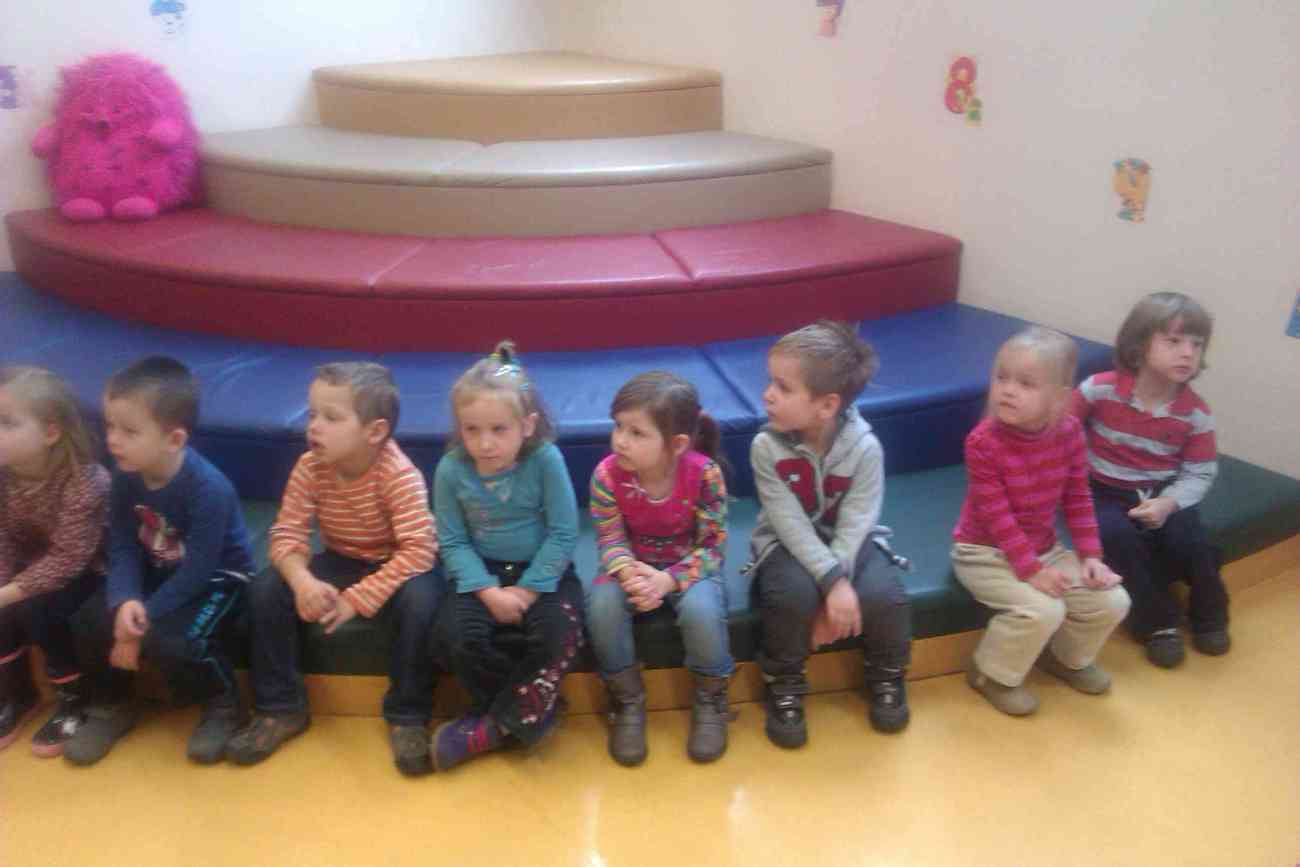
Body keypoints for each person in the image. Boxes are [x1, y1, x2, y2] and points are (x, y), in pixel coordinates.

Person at [228, 362, 441, 775]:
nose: (314, 427)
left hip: (397, 562)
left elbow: (418, 551)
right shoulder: (310, 467)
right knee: (265, 591)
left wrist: (356, 600)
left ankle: (408, 715)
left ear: (374, 432)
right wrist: (302, 581)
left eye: (331, 417)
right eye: (312, 414)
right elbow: (287, 535)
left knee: (422, 601)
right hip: (342, 558)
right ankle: (281, 707)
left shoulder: (399, 476)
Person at [65, 357, 254, 765]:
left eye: (129, 431)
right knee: (89, 621)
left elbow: (199, 570)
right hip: (160, 566)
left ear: (174, 439)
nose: (113, 440)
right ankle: (112, 704)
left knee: (175, 640)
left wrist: (141, 621)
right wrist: (125, 599)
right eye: (110, 426)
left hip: (217, 576)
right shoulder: (125, 475)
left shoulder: (209, 489)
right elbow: (123, 546)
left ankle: (224, 706)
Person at [749, 321, 913, 747]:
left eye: (783, 387)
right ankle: (784, 682)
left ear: (826, 406)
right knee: (791, 595)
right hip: (786, 543)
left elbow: (857, 522)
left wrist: (836, 582)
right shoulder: (766, 446)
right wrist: (833, 585)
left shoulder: (865, 448)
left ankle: (887, 673)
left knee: (884, 595)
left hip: (850, 542)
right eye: (771, 382)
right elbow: (788, 523)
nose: (768, 394)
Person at [952, 328, 1129, 716]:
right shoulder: (982, 442)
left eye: (1026, 384)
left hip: (1044, 550)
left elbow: (1078, 497)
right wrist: (1031, 571)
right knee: (1043, 609)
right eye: (1002, 377)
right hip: (983, 553)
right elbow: (996, 518)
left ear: (1059, 396)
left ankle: (1065, 658)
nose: (1008, 390)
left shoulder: (1069, 433)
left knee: (1112, 601)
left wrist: (1091, 557)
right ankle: (990, 674)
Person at [431, 342, 583, 772]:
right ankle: (532, 710)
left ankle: (491, 728)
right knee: (454, 638)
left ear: (527, 425)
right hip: (482, 575)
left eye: (499, 429)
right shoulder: (451, 469)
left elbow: (563, 532)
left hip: (544, 571)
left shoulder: (546, 460)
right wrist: (489, 592)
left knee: (561, 632)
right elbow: (452, 541)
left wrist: (530, 591)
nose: (485, 443)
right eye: (472, 430)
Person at [1074, 293, 1227, 668]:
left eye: (1196, 344)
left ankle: (1210, 615)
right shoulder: (1098, 390)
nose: (1187, 353)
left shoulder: (1195, 413)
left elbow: (1200, 471)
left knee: (1192, 542)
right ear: (1139, 345)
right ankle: (1158, 625)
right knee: (1116, 538)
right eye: (1173, 341)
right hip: (1103, 490)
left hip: (1162, 491)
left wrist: (1168, 503)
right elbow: (1060, 432)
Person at [586, 371, 732, 765]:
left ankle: (711, 697)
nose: (621, 440)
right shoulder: (606, 475)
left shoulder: (704, 474)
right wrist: (628, 574)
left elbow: (713, 546)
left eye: (636, 432)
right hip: (631, 566)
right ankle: (626, 699)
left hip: (688, 565)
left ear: (677, 444)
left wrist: (669, 580)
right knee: (602, 606)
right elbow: (609, 538)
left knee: (701, 611)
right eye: (618, 426)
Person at [0, 367, 109, 757]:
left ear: (50, 433)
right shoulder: (5, 476)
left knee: (40, 609)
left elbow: (69, 558)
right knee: (8, 608)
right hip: (35, 566)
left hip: (90, 569)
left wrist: (9, 593)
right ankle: (16, 694)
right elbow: (3, 539)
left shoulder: (85, 481)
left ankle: (73, 697)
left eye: (7, 423)